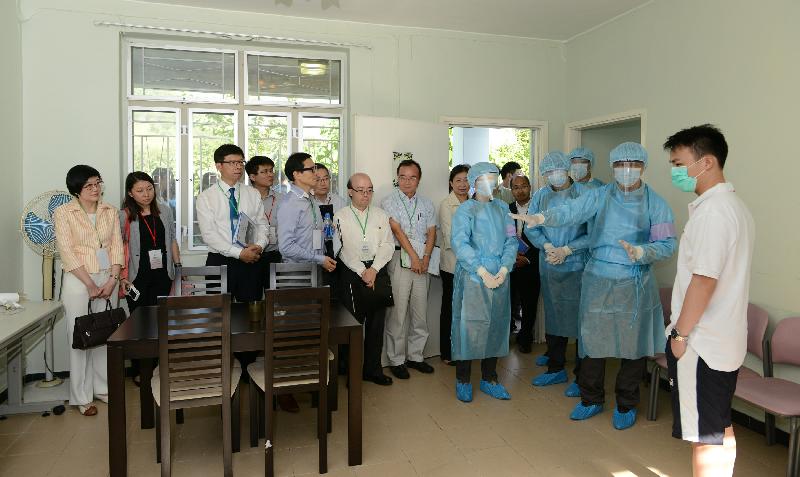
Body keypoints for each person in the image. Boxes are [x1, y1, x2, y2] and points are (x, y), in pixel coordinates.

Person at [511, 142, 676, 430]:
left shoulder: (656, 203)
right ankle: (591, 398)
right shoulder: (599, 196)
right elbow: (571, 212)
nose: (626, 170)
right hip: (598, 277)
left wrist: (643, 252)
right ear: (612, 167)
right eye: (620, 165)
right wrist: (542, 218)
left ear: (643, 166)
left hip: (634, 281)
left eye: (632, 164)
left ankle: (626, 403)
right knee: (592, 341)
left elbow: (667, 243)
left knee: (632, 346)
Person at [663, 125, 754, 477]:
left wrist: (680, 337)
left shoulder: (715, 213)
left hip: (702, 344)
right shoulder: (733, 206)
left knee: (704, 438)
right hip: (723, 340)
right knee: (718, 427)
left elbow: (703, 281)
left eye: (678, 162)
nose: (674, 170)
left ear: (707, 162)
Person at [53, 165, 123, 416]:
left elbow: (116, 246)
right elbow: (67, 252)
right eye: (89, 185)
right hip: (78, 281)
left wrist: (112, 279)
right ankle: (81, 397)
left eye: (97, 183)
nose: (95, 189)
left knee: (105, 334)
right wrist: (90, 284)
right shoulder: (64, 213)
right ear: (76, 190)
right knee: (81, 338)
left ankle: (103, 388)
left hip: (107, 280)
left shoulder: (109, 211)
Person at [450, 162, 517, 402]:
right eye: (484, 179)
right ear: (474, 182)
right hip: (472, 277)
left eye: (493, 178)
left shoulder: (503, 209)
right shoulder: (466, 210)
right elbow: (460, 242)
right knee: (469, 328)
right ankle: (463, 379)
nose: (489, 184)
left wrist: (504, 268)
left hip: (499, 275)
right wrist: (480, 270)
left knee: (496, 327)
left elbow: (511, 241)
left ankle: (490, 378)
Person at [525, 152, 589, 397]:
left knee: (581, 321)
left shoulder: (584, 196)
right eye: (548, 173)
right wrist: (548, 246)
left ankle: (582, 375)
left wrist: (569, 249)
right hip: (550, 264)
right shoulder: (541, 196)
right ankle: (556, 367)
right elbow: (531, 226)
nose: (553, 176)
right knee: (554, 315)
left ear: (567, 169)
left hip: (578, 265)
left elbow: (594, 231)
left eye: (557, 171)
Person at [119, 171, 181, 386]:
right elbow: (117, 249)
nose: (146, 194)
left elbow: (172, 238)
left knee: (160, 322)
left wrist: (178, 266)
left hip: (163, 275)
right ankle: (140, 370)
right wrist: (121, 277)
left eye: (149, 189)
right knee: (140, 325)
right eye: (140, 191)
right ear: (130, 193)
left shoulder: (164, 210)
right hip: (138, 278)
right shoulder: (124, 215)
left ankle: (159, 367)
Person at [334, 173, 395, 386]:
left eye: (369, 190)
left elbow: (388, 245)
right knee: (353, 325)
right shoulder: (340, 216)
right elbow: (342, 249)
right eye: (361, 190)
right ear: (350, 191)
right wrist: (363, 270)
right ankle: (351, 372)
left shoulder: (380, 215)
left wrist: (374, 269)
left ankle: (373, 370)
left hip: (377, 271)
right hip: (352, 272)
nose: (366, 194)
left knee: (377, 324)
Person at [381, 158, 436, 379]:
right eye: (402, 177)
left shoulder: (427, 203)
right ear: (397, 178)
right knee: (398, 313)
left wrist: (425, 258)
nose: (407, 181)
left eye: (412, 177)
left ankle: (416, 356)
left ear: (419, 179)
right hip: (400, 260)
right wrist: (414, 257)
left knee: (420, 312)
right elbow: (397, 231)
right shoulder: (388, 201)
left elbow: (432, 232)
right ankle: (396, 359)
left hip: (423, 262)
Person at [196, 144, 269, 302]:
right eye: (232, 162)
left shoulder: (252, 193)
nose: (238, 167)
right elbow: (209, 234)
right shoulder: (206, 197)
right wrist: (239, 253)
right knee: (219, 313)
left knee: (251, 313)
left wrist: (260, 245)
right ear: (219, 166)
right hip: (220, 260)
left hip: (251, 258)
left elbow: (262, 224)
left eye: (241, 162)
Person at [277, 152, 337, 273]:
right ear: (297, 174)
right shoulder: (290, 203)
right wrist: (318, 258)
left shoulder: (309, 198)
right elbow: (286, 247)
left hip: (315, 267)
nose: (316, 173)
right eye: (311, 169)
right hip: (297, 273)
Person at [437, 164, 470, 364]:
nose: (463, 184)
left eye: (466, 180)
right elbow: (451, 238)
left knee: (468, 310)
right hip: (452, 265)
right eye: (458, 180)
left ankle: (465, 350)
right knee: (451, 308)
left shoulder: (476, 203)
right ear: (451, 183)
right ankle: (447, 352)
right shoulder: (446, 205)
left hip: (473, 267)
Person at [508, 174, 540, 354]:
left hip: (531, 264)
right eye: (516, 187)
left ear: (529, 187)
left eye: (523, 186)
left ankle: (525, 338)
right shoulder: (507, 209)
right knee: (508, 303)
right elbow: (504, 235)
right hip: (510, 263)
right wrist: (512, 255)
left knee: (529, 304)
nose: (520, 190)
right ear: (511, 190)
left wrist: (528, 258)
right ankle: (505, 337)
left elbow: (545, 237)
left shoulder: (538, 209)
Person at [245, 155, 283, 275]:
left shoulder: (282, 199)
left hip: (275, 255)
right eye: (265, 171)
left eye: (271, 170)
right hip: (251, 255)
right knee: (252, 293)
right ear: (252, 176)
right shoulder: (245, 198)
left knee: (275, 293)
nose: (270, 174)